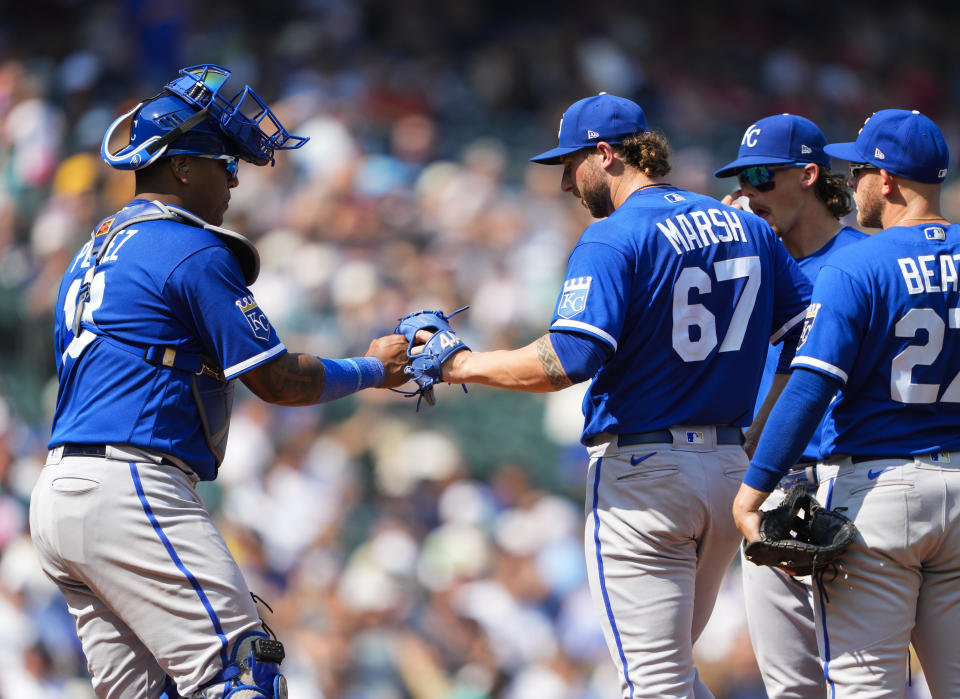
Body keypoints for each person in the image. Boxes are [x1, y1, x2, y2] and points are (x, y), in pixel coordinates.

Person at [411, 93, 812, 697]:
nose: (567, 183)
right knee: (672, 675)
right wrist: (761, 439)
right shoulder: (747, 225)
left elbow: (566, 360)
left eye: (572, 164)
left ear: (607, 154)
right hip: (730, 470)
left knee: (651, 683)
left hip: (647, 477)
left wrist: (458, 362)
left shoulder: (613, 236)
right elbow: (811, 334)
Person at [29, 64, 409, 699]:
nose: (234, 179)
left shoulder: (90, 253)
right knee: (242, 677)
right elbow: (280, 381)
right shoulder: (189, 249)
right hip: (132, 486)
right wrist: (372, 369)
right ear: (181, 168)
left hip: (61, 493)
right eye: (223, 162)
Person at [732, 109, 960, 697]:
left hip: (875, 490)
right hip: (955, 477)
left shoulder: (859, 264)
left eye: (858, 168)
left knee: (861, 688)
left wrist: (752, 490)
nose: (850, 180)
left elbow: (810, 387)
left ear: (885, 181)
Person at [714, 114, 865, 699]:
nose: (749, 192)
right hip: (769, 489)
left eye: (760, 177)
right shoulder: (745, 267)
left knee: (860, 678)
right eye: (741, 180)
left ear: (807, 175)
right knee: (789, 687)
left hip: (844, 484)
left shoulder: (861, 262)